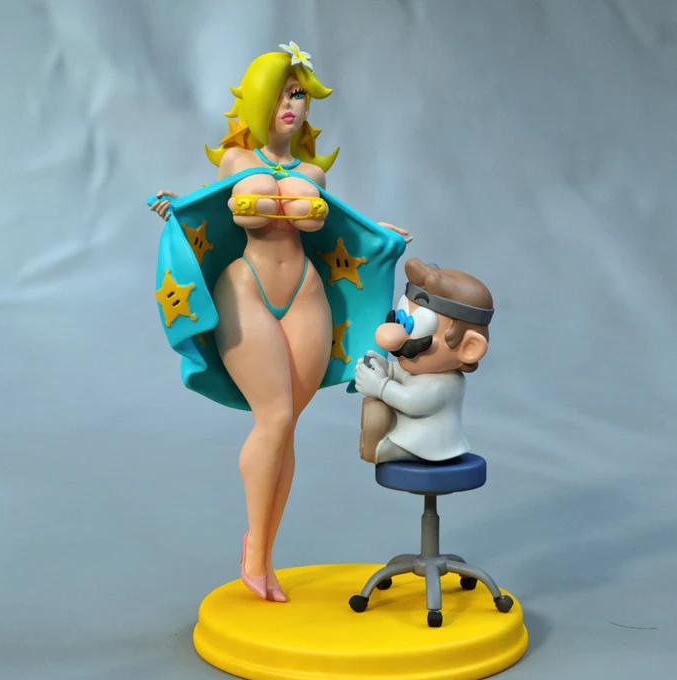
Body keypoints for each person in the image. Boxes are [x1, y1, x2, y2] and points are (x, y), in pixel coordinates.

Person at [150, 43, 408, 601]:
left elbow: (340, 227)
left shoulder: (312, 172)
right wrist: (178, 207)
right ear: (258, 101)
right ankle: (256, 553)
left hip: (306, 294)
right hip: (247, 287)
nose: (291, 105)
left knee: (287, 425)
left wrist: (379, 236)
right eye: (281, 94)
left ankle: (263, 549)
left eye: (298, 94)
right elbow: (211, 207)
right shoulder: (236, 163)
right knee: (274, 417)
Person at [355, 258, 494, 464]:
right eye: (401, 320)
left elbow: (412, 402)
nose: (395, 336)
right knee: (377, 410)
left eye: (418, 327)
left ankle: (378, 448)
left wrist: (380, 386)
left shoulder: (447, 383)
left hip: (426, 447)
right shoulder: (421, 372)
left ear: (469, 348)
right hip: (406, 435)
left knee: (380, 426)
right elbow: (404, 376)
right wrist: (387, 369)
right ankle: (378, 439)